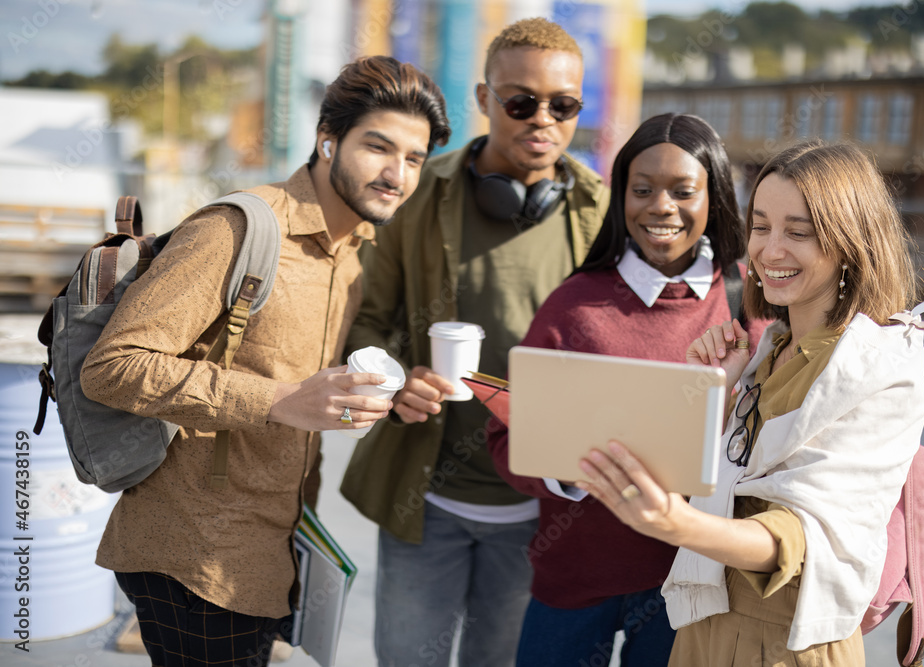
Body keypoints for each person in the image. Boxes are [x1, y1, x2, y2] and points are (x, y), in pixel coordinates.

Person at [79, 55, 450, 667]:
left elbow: (305, 384)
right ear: (327, 141)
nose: (397, 174)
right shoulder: (238, 228)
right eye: (378, 147)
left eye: (415, 159)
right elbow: (113, 365)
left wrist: (393, 393)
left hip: (272, 551)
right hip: (192, 553)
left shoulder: (353, 252)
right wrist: (279, 400)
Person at [578, 140, 924, 666]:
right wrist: (718, 393)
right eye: (761, 226)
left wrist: (672, 523)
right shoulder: (766, 348)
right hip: (704, 626)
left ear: (851, 242)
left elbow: (800, 536)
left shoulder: (881, 369)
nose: (770, 251)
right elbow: (721, 478)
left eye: (799, 232)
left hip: (790, 643)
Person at [340, 17, 609, 667]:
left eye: (563, 105)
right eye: (520, 101)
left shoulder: (602, 212)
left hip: (541, 511)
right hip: (423, 498)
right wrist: (395, 379)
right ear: (486, 100)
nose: (542, 118)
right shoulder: (418, 193)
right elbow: (367, 323)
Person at [486, 113, 769, 666]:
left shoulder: (748, 305)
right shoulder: (574, 304)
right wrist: (566, 471)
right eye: (642, 190)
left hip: (688, 586)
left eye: (683, 191)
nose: (660, 207)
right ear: (621, 200)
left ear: (714, 198)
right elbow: (504, 438)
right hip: (573, 581)